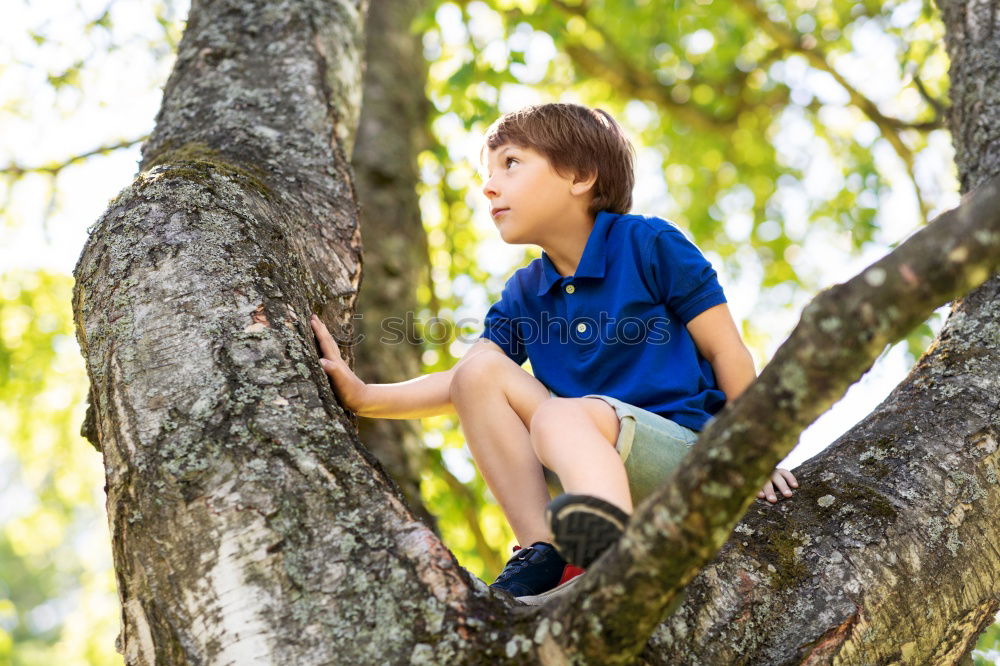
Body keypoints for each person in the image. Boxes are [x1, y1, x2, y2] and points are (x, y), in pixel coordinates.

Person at [309, 102, 799, 604]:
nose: (489, 186)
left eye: (511, 163)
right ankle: (545, 553)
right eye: (488, 172)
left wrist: (754, 455)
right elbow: (465, 383)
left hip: (689, 463)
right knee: (481, 372)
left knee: (560, 418)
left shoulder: (646, 242)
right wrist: (365, 396)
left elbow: (728, 350)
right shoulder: (526, 291)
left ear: (580, 176)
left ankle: (617, 566)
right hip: (585, 472)